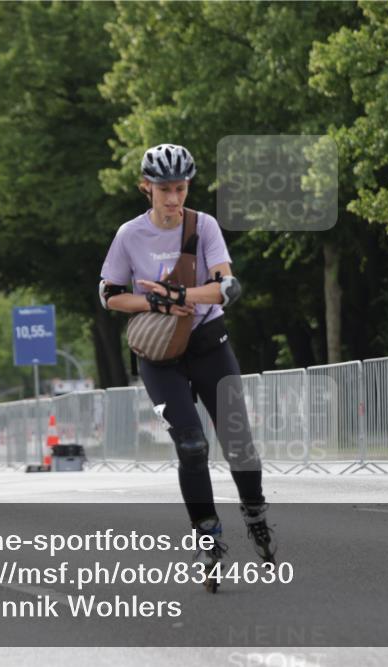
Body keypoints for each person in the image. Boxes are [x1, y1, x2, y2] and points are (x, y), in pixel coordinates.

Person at [98, 144, 276, 589]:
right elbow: (109, 295)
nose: (173, 199)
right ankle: (207, 533)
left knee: (238, 441)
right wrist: (153, 302)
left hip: (209, 345)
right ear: (146, 189)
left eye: (179, 188)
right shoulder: (128, 236)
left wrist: (177, 297)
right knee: (192, 446)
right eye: (163, 190)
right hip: (160, 358)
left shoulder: (205, 226)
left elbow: (226, 289)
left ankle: (254, 513)